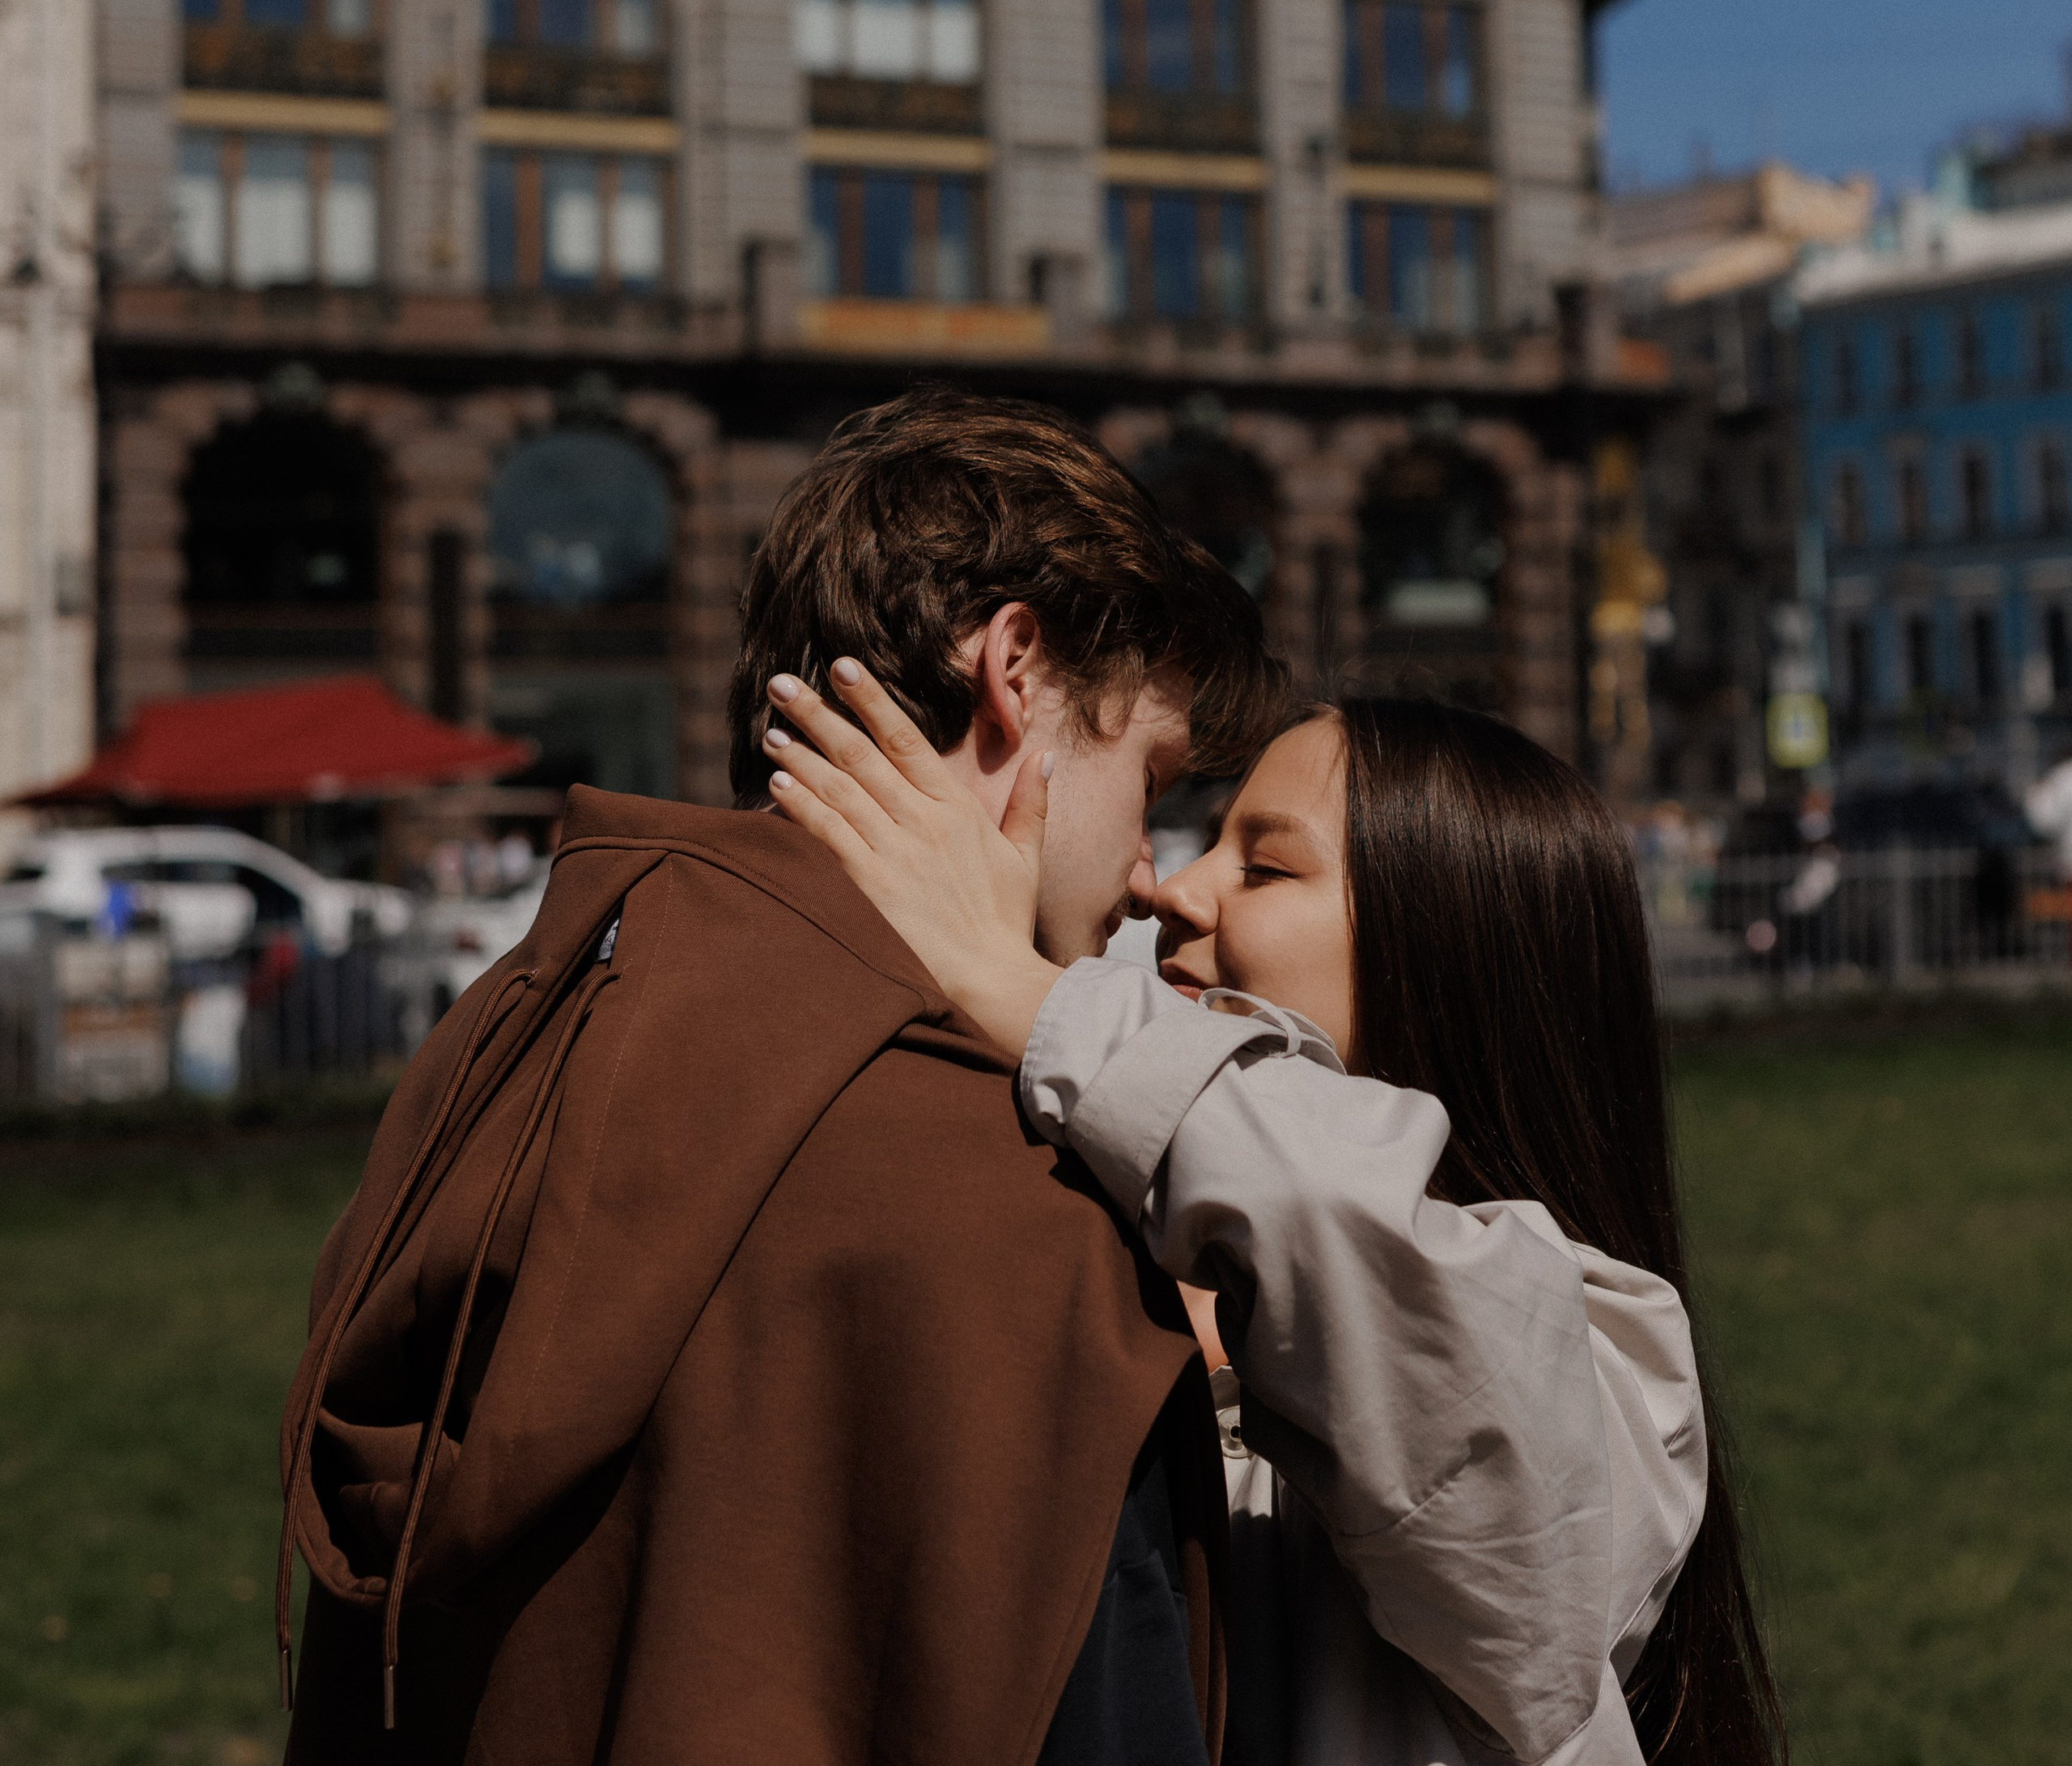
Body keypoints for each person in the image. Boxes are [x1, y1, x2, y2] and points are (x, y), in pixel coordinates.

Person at [275, 388, 1285, 1766]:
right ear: (1015, 670)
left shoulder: (496, 1043)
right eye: (1151, 775)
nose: (1150, 872)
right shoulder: (1014, 1210)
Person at [762, 672, 1788, 1766]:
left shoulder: (1606, 1366)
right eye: (1205, 839)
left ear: (1450, 956)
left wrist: (1028, 993)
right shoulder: (1127, 1238)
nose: (1179, 889)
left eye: (1266, 865)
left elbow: (1362, 1251)